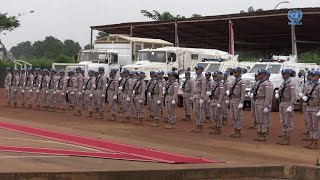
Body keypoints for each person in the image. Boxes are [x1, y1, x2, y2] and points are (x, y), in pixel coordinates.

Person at [274, 69, 296, 145]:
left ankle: (288, 138)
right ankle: (284, 136)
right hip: (282, 103)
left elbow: (293, 96)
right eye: (282, 74)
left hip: (287, 103)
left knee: (288, 121)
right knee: (282, 121)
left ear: (288, 74)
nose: (282, 75)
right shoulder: (283, 83)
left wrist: (291, 106)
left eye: (284, 74)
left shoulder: (291, 83)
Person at [253, 69, 273, 141]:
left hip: (262, 101)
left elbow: (268, 95)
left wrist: (266, 106)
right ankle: (260, 132)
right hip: (257, 101)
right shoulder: (259, 82)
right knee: (258, 119)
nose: (259, 75)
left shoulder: (266, 83)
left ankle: (263, 134)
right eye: (258, 74)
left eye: (260, 74)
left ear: (264, 75)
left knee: (263, 119)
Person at [302, 70, 320, 149]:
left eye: (314, 75)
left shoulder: (319, 86)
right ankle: (311, 141)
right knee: (310, 125)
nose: (312, 77)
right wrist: (303, 96)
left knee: (315, 126)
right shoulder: (309, 85)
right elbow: (305, 93)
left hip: (316, 107)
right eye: (311, 75)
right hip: (308, 107)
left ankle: (315, 142)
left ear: (318, 77)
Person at [191, 65, 206, 132]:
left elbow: (203, 89)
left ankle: (200, 126)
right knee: (196, 111)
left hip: (199, 96)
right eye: (196, 69)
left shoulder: (202, 78)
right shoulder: (196, 77)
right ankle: (197, 125)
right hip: (195, 96)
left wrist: (202, 98)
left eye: (197, 69)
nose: (196, 70)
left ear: (201, 70)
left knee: (199, 111)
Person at [300, 71, 313, 140]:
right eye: (308, 75)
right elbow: (302, 91)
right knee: (306, 118)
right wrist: (301, 95)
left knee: (311, 120)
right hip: (304, 103)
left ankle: (312, 135)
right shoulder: (306, 83)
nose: (309, 76)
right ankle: (308, 131)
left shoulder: (314, 84)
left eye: (310, 75)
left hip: (310, 103)